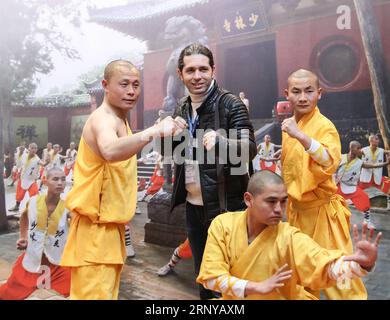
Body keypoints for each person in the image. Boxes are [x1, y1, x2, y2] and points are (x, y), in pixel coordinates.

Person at [60, 60, 186, 300]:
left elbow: (114, 162)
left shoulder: (120, 119)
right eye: (124, 84)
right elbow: (109, 149)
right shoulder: (103, 118)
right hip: (95, 231)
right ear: (105, 85)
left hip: (110, 230)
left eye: (136, 85)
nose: (131, 91)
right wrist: (154, 130)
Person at [197, 171, 382, 300]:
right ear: (248, 199)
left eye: (283, 202)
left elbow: (323, 265)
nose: (279, 210)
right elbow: (211, 278)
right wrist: (254, 287)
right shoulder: (223, 225)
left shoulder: (289, 236)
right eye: (271, 202)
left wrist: (359, 264)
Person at [169, 43, 256, 299]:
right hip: (194, 208)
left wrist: (221, 142)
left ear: (213, 69)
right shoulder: (182, 107)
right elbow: (177, 156)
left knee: (233, 280)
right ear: (181, 74)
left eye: (203, 69)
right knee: (205, 279)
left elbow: (249, 149)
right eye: (191, 70)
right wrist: (170, 137)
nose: (197, 76)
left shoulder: (231, 104)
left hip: (227, 208)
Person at [281, 69, 368, 299]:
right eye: (296, 92)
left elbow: (329, 160)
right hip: (297, 213)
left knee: (339, 277)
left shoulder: (323, 126)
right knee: (302, 276)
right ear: (286, 94)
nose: (302, 98)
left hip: (321, 214)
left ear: (319, 93)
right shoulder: (290, 125)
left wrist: (300, 136)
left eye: (309, 91)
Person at [0, 168, 71, 300]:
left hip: (58, 263)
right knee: (8, 294)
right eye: (55, 179)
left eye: (63, 179)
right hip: (32, 260)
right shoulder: (33, 201)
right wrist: (23, 236)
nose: (60, 183)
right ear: (45, 181)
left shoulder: (69, 208)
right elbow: (24, 216)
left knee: (80, 291)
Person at [335, 141, 389, 230]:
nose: (360, 150)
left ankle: (367, 222)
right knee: (329, 202)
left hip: (351, 187)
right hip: (338, 186)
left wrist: (386, 163)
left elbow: (373, 165)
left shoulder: (360, 162)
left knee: (364, 197)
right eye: (358, 148)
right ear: (351, 148)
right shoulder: (341, 158)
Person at [8, 143, 44, 213]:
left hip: (31, 181)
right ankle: (16, 207)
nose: (34, 149)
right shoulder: (24, 156)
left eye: (35, 148)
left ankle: (37, 208)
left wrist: (46, 163)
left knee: (35, 195)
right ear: (29, 148)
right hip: (23, 179)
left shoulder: (37, 159)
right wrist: (20, 152)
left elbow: (42, 163)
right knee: (19, 194)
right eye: (32, 148)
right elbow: (18, 164)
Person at [359, 135, 390, 200]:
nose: (378, 141)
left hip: (376, 177)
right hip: (365, 177)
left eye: (378, 139)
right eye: (376, 139)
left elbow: (388, 152)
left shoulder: (381, 150)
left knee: (377, 195)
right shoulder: (363, 150)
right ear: (371, 141)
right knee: (363, 195)